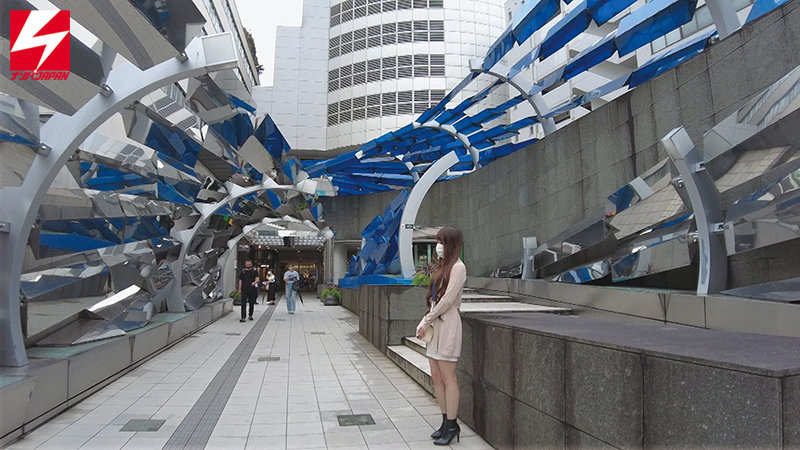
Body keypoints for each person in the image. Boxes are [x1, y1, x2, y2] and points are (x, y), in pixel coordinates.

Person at [416, 227, 466, 445]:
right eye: (437, 241)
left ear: (451, 244)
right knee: (436, 376)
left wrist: (426, 320)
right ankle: (445, 421)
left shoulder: (459, 267)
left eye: (441, 242)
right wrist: (425, 321)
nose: (438, 246)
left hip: (448, 325)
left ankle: (452, 424)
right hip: (436, 323)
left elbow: (447, 300)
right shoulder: (443, 267)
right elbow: (436, 300)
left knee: (448, 377)